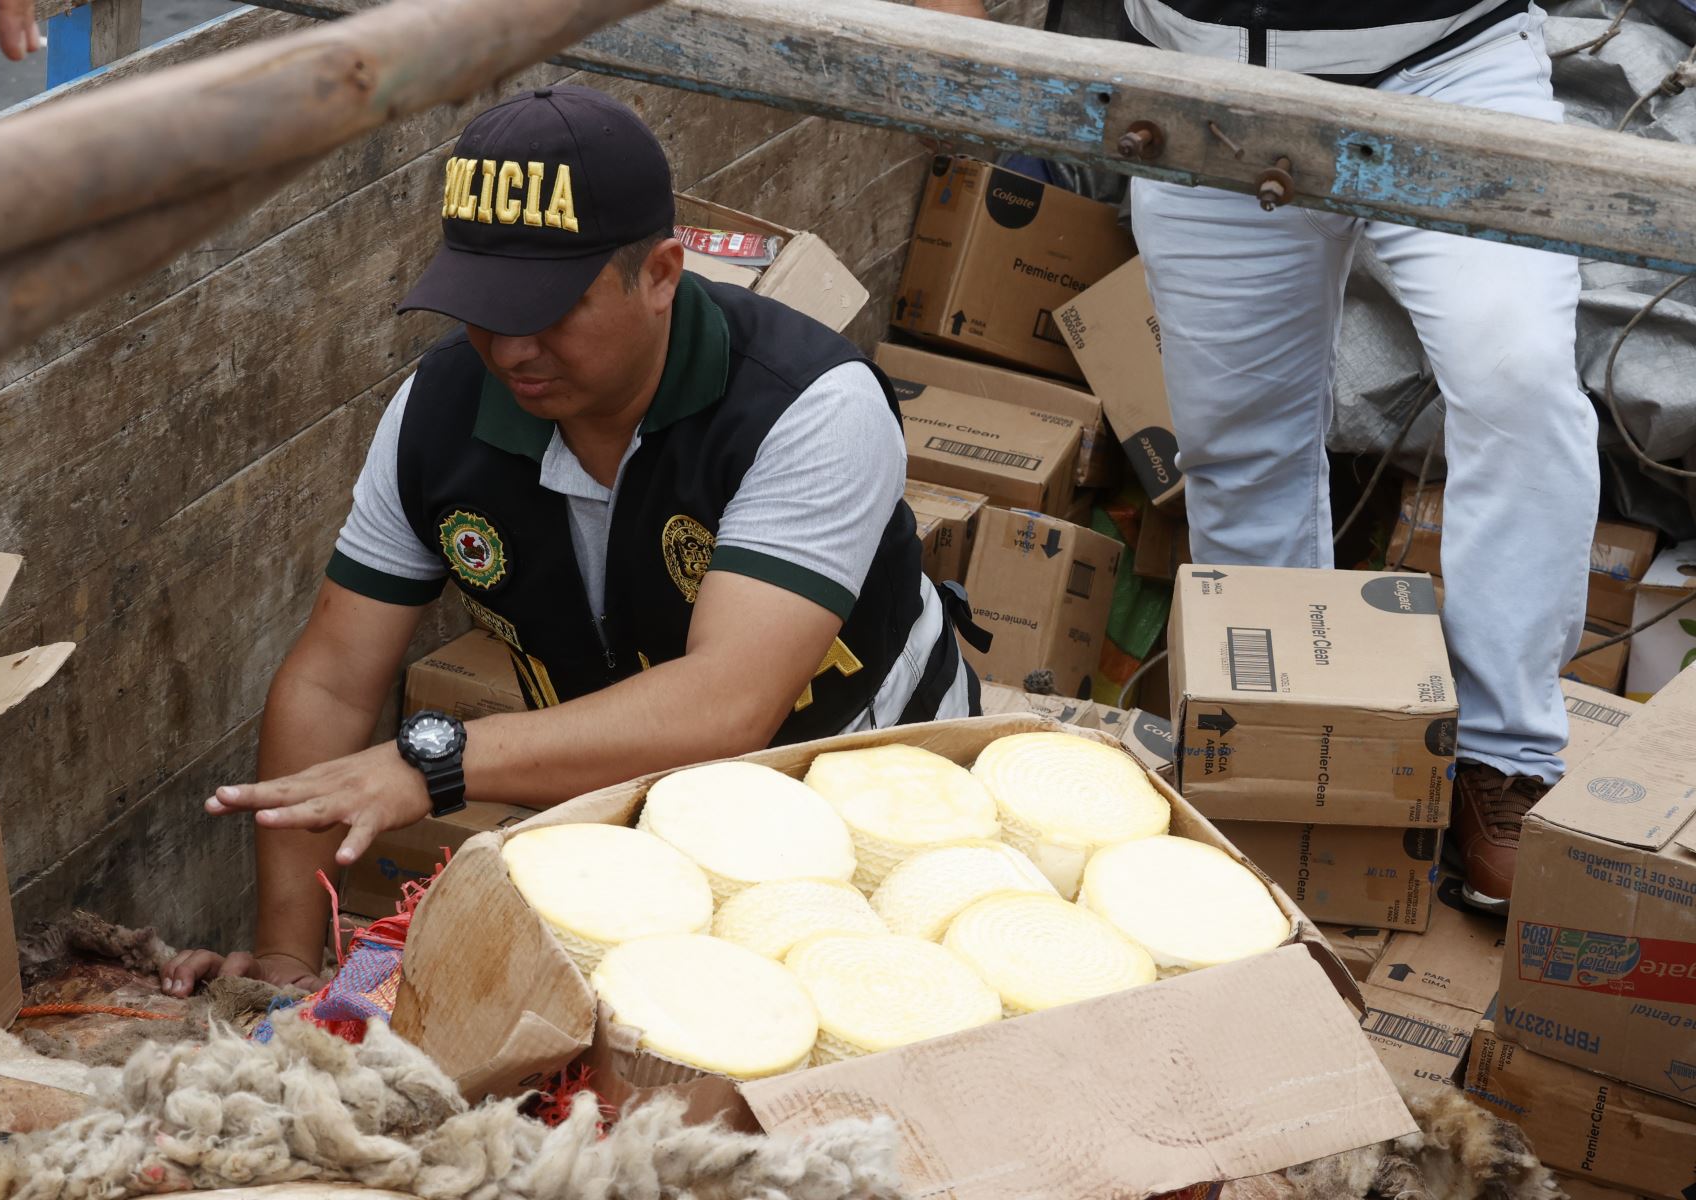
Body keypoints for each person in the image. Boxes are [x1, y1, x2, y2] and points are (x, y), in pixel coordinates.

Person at [160, 85, 976, 995]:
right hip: (628, 816)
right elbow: (331, 680)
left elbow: (724, 706)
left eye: (550, 307)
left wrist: (435, 766)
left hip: (876, 806)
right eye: (484, 305)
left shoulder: (810, 407)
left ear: (663, 273)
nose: (511, 348)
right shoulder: (440, 410)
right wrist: (284, 958)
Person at [919, 0, 1599, 912]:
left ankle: (1503, 758)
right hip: (1210, 80)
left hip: (1447, 60)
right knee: (1238, 446)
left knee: (1519, 382)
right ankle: (1288, 750)